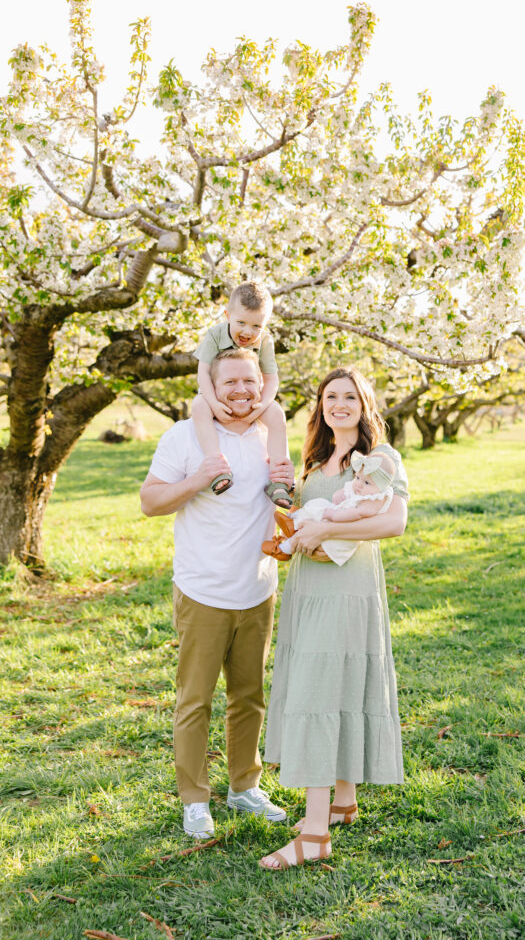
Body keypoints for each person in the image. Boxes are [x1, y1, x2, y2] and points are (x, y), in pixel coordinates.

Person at [140, 348, 294, 839]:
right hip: (203, 591)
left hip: (257, 589)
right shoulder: (185, 437)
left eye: (249, 381)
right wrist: (199, 479)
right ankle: (194, 798)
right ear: (212, 384)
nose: (241, 392)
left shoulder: (272, 436)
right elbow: (149, 502)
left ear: (261, 384)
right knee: (195, 700)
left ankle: (244, 786)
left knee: (249, 697)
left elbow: (286, 499)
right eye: (230, 382)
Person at [259, 367, 408, 871]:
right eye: (330, 396)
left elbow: (394, 520)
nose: (338, 404)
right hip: (309, 588)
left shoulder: (380, 459)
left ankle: (315, 834)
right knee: (330, 684)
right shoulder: (316, 461)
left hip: (348, 589)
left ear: (365, 405)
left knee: (320, 692)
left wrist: (324, 530)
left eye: (349, 396)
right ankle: (342, 801)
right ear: (320, 405)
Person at [192, 281, 293, 508]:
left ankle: (278, 480)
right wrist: (214, 405)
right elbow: (203, 374)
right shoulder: (215, 334)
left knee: (277, 415)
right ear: (227, 315)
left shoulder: (265, 340)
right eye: (241, 323)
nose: (248, 332)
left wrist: (263, 403)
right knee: (198, 407)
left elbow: (271, 378)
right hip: (214, 396)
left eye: (257, 326)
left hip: (250, 398)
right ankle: (217, 469)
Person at [263, 450, 396, 565]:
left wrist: (332, 515)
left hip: (341, 535)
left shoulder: (374, 499)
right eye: (358, 478)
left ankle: (283, 549)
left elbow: (357, 514)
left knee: (320, 515)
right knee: (318, 503)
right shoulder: (361, 486)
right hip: (336, 518)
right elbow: (343, 493)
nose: (359, 484)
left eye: (367, 482)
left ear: (381, 487)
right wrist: (341, 494)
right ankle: (294, 523)